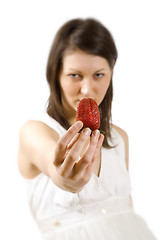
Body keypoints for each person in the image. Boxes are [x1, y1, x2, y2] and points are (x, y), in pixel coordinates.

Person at [18, 18, 156, 240]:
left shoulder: (121, 138)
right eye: (75, 75)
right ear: (56, 75)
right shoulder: (34, 131)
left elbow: (125, 211)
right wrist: (66, 180)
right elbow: (55, 167)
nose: (87, 89)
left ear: (111, 72)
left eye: (99, 75)